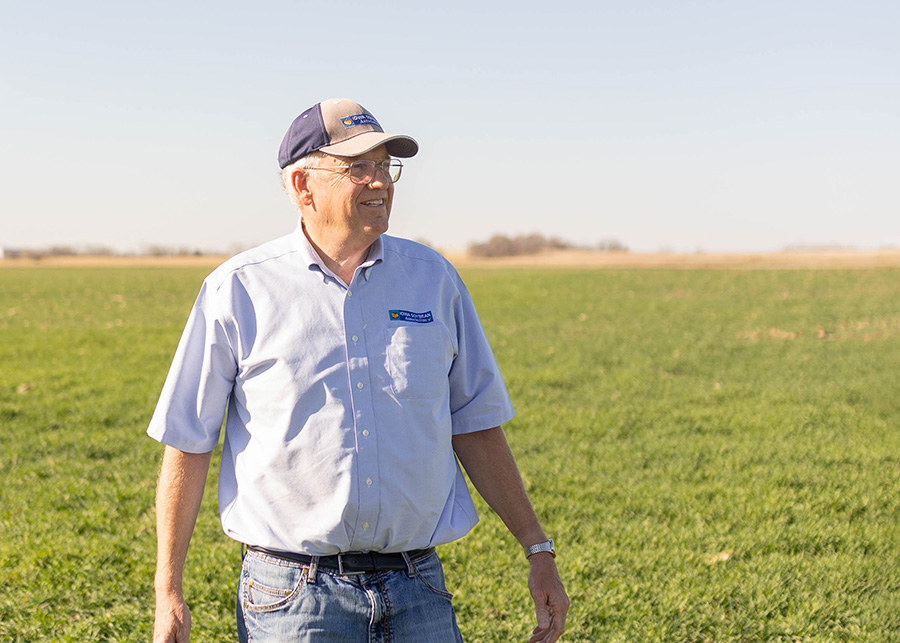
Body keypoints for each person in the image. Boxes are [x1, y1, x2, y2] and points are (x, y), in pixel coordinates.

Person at [149, 98, 568, 643]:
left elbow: (476, 425)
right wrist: (169, 592)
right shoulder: (239, 290)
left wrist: (537, 547)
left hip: (419, 588)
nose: (381, 183)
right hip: (293, 599)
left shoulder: (433, 280)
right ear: (303, 185)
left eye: (385, 167)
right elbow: (187, 442)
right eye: (358, 168)